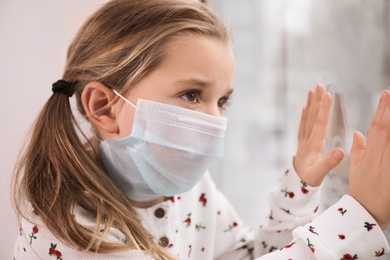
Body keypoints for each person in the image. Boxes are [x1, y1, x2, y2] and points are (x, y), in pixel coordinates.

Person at [11, 0, 390, 259]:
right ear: (103, 107)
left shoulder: (185, 189)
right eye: (192, 95)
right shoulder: (72, 231)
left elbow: (245, 255)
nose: (215, 121)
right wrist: (359, 218)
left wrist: (300, 190)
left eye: (223, 101)